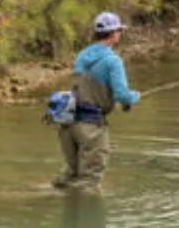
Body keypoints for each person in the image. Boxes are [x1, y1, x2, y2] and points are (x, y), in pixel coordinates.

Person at [55, 11, 140, 192]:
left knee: (70, 175)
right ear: (114, 33)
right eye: (119, 30)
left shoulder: (82, 55)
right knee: (89, 184)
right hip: (91, 128)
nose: (120, 33)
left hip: (69, 125)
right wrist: (134, 97)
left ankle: (63, 213)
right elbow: (122, 95)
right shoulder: (113, 61)